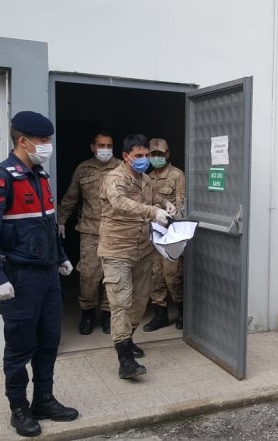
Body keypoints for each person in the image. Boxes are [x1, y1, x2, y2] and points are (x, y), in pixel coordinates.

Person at [0, 111, 79, 437]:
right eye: (43, 140)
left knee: (49, 341)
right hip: (19, 279)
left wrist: (61, 257)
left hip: (47, 276)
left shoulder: (39, 176)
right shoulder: (1, 179)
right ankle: (18, 408)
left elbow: (48, 223)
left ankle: (43, 400)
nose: (47, 145)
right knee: (20, 347)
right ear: (23, 141)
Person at [99, 133, 176, 379]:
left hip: (142, 250)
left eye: (146, 155)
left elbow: (153, 198)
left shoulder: (144, 179)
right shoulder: (115, 178)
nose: (144, 160)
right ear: (126, 156)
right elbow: (120, 202)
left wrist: (166, 204)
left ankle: (128, 339)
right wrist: (153, 212)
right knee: (120, 303)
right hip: (117, 250)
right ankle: (125, 360)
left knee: (140, 301)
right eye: (139, 156)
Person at [57, 131, 122, 335]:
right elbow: (71, 198)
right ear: (93, 147)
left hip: (116, 231)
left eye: (109, 145)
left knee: (113, 275)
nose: (105, 149)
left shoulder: (122, 168)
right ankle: (87, 314)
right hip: (90, 232)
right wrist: (60, 221)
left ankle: (107, 315)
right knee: (89, 275)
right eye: (101, 145)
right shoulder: (83, 169)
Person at [142, 137, 186, 332]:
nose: (157, 157)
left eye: (160, 154)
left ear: (167, 154)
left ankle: (184, 313)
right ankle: (160, 315)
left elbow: (182, 203)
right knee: (155, 275)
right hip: (152, 234)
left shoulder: (177, 175)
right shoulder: (146, 177)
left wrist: (175, 224)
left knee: (172, 275)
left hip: (170, 235)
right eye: (153, 154)